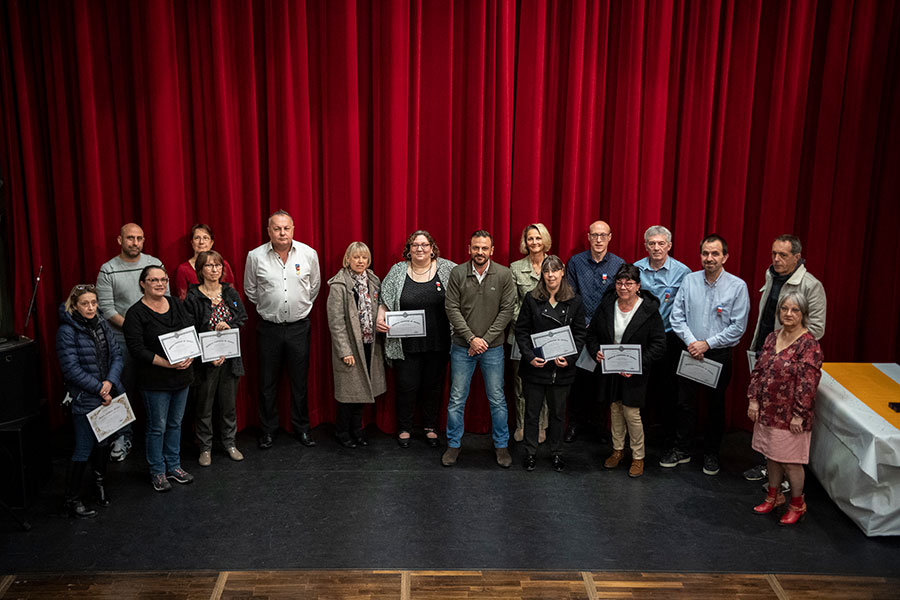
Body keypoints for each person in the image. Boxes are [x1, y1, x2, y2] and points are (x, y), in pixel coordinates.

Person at [662, 234, 750, 476]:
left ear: (725, 257)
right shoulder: (689, 281)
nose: (709, 258)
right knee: (684, 403)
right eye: (705, 253)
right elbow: (676, 317)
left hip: (718, 355)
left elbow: (737, 327)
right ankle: (682, 449)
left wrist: (707, 344)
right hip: (689, 352)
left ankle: (711, 454)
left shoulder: (737, 286)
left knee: (715, 406)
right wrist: (693, 343)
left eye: (715, 254)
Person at [743, 235, 827, 483]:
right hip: (765, 350)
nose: (776, 259)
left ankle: (787, 480)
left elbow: (817, 328)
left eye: (783, 255)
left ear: (797, 257)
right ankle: (768, 468)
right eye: (774, 254)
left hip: (791, 361)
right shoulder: (772, 277)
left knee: (785, 420)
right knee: (765, 414)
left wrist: (786, 343)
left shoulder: (811, 286)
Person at [244, 210, 321, 449]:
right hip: (269, 329)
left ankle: (302, 428)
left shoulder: (309, 254)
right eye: (276, 228)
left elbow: (314, 287)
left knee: (300, 382)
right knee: (267, 383)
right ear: (269, 231)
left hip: (299, 328)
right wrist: (270, 307)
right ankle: (268, 430)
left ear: (293, 229)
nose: (282, 233)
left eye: (286, 228)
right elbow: (250, 289)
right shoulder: (255, 256)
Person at [442, 230, 517, 468]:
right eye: (476, 248)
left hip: (493, 348)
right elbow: (451, 308)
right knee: (456, 399)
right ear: (469, 249)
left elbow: (507, 310)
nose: (480, 252)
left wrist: (484, 339)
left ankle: (501, 446)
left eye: (484, 248)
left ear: (492, 250)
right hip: (462, 347)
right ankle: (453, 445)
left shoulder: (504, 275)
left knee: (497, 399)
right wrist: (471, 338)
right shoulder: (457, 273)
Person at [747, 292, 823, 525]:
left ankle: (797, 503)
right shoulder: (772, 337)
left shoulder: (809, 345)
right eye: (784, 309)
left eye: (795, 310)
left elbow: (808, 384)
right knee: (771, 455)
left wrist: (800, 415)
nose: (788, 314)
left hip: (792, 416)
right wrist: (753, 400)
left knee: (791, 462)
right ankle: (774, 496)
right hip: (768, 410)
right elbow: (759, 370)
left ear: (803, 314)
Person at [376, 230, 455, 448]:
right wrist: (380, 315)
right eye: (414, 245)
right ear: (408, 249)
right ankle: (404, 427)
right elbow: (384, 299)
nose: (419, 248)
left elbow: (461, 298)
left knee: (433, 386)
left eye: (424, 244)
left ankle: (430, 427)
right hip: (405, 343)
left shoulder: (448, 269)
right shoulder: (398, 270)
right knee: (406, 386)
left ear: (432, 248)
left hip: (438, 342)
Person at [586, 264, 666, 478]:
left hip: (635, 374)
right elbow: (592, 335)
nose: (623, 287)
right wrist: (596, 352)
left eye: (629, 283)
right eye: (620, 283)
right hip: (611, 371)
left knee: (632, 413)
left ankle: (638, 457)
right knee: (615, 409)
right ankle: (618, 450)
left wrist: (639, 364)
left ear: (638, 286)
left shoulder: (648, 310)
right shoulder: (606, 306)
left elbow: (659, 344)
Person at [96, 223, 165, 462]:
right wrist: (135, 330)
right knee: (121, 389)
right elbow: (106, 308)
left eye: (139, 238)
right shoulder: (108, 269)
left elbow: (163, 298)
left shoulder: (154, 264)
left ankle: (157, 436)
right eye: (130, 238)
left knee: (156, 387)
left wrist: (150, 331)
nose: (135, 243)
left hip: (153, 340)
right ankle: (123, 437)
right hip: (121, 341)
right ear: (120, 240)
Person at [123, 265, 195, 492]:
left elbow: (189, 330)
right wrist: (167, 363)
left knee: (175, 423)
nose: (160, 283)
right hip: (154, 380)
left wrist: (190, 356)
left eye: (163, 279)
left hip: (182, 376)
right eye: (153, 280)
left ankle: (174, 465)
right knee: (157, 427)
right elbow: (136, 349)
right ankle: (157, 471)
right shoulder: (135, 313)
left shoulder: (175, 303)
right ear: (142, 284)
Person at [56, 284, 123, 517]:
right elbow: (71, 369)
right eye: (85, 303)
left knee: (103, 444)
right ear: (74, 305)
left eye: (94, 303)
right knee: (83, 448)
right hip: (85, 398)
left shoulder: (102, 323)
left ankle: (99, 486)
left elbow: (116, 356)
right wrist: (100, 389)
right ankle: (72, 499)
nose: (91, 307)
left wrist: (109, 383)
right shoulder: (67, 331)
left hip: (106, 394)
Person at [515, 255, 586, 472]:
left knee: (557, 414)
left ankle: (556, 453)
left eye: (555, 270)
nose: (551, 275)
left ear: (563, 272)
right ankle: (530, 453)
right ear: (542, 275)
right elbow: (522, 331)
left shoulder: (575, 301)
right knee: (532, 413)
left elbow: (580, 334)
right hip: (535, 367)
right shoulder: (531, 298)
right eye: (546, 271)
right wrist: (528, 356)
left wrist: (571, 358)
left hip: (562, 369)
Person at [184, 250, 247, 466]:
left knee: (228, 405)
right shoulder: (193, 297)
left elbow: (242, 318)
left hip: (230, 359)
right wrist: (206, 355)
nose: (214, 270)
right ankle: (206, 448)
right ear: (200, 270)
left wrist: (230, 325)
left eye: (218, 265)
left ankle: (229, 443)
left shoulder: (230, 293)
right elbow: (189, 331)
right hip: (206, 362)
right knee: (204, 405)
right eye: (209, 266)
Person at [565, 220, 624, 443]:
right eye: (594, 235)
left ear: (610, 237)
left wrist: (598, 325)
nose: (598, 240)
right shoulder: (575, 262)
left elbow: (620, 297)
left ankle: (599, 426)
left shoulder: (618, 264)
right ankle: (575, 423)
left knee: (603, 382)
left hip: (607, 333)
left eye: (603, 235)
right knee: (578, 381)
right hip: (580, 330)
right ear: (588, 237)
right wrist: (585, 323)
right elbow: (570, 295)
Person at [327, 242, 386, 448]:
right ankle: (342, 431)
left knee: (363, 391)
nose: (360, 261)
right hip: (351, 348)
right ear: (348, 259)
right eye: (356, 257)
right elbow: (336, 322)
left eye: (364, 258)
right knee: (348, 395)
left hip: (370, 344)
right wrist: (344, 351)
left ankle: (357, 430)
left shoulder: (374, 280)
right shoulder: (339, 284)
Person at [634, 226, 691, 443]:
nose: (656, 248)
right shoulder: (635, 268)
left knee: (669, 390)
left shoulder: (683, 272)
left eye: (661, 243)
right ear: (645, 245)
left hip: (669, 339)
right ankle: (641, 438)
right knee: (642, 389)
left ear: (669, 245)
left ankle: (669, 439)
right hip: (642, 339)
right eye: (652, 243)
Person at [508, 224, 551, 444]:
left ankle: (541, 425)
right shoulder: (515, 268)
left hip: (548, 336)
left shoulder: (554, 265)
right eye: (530, 239)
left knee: (543, 380)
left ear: (544, 240)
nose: (534, 242)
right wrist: (526, 325)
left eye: (537, 238)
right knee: (520, 382)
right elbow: (511, 304)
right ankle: (522, 424)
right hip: (519, 335)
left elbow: (561, 299)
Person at [174, 224, 236, 300]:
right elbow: (182, 299)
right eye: (197, 238)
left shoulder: (223, 265)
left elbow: (232, 294)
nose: (201, 242)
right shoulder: (183, 269)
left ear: (211, 243)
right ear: (192, 243)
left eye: (205, 238)